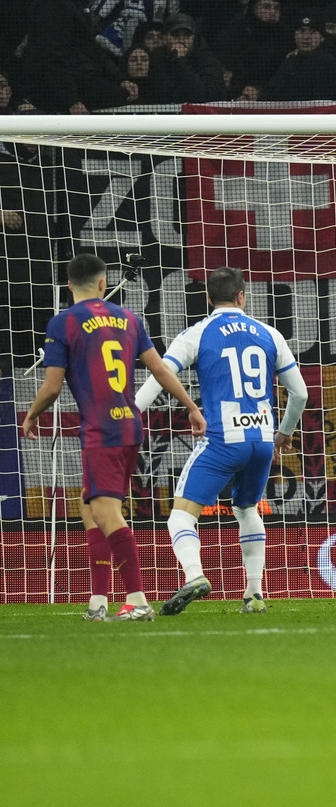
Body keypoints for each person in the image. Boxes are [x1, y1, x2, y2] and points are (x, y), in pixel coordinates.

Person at [21, 253, 207, 621]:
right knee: (89, 507)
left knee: (105, 511)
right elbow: (159, 369)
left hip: (101, 429)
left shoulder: (63, 323)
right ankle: (98, 601)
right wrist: (192, 406)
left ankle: (137, 600)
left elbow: (53, 387)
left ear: (68, 286)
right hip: (129, 426)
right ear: (104, 283)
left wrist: (30, 415)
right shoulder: (128, 318)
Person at [134, 267, 308, 615]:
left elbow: (160, 375)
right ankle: (255, 593)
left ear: (208, 299)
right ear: (242, 296)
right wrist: (285, 432)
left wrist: (130, 412)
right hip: (262, 439)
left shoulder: (198, 333)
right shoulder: (269, 333)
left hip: (222, 439)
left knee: (180, 517)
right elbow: (300, 393)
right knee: (246, 509)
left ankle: (196, 576)